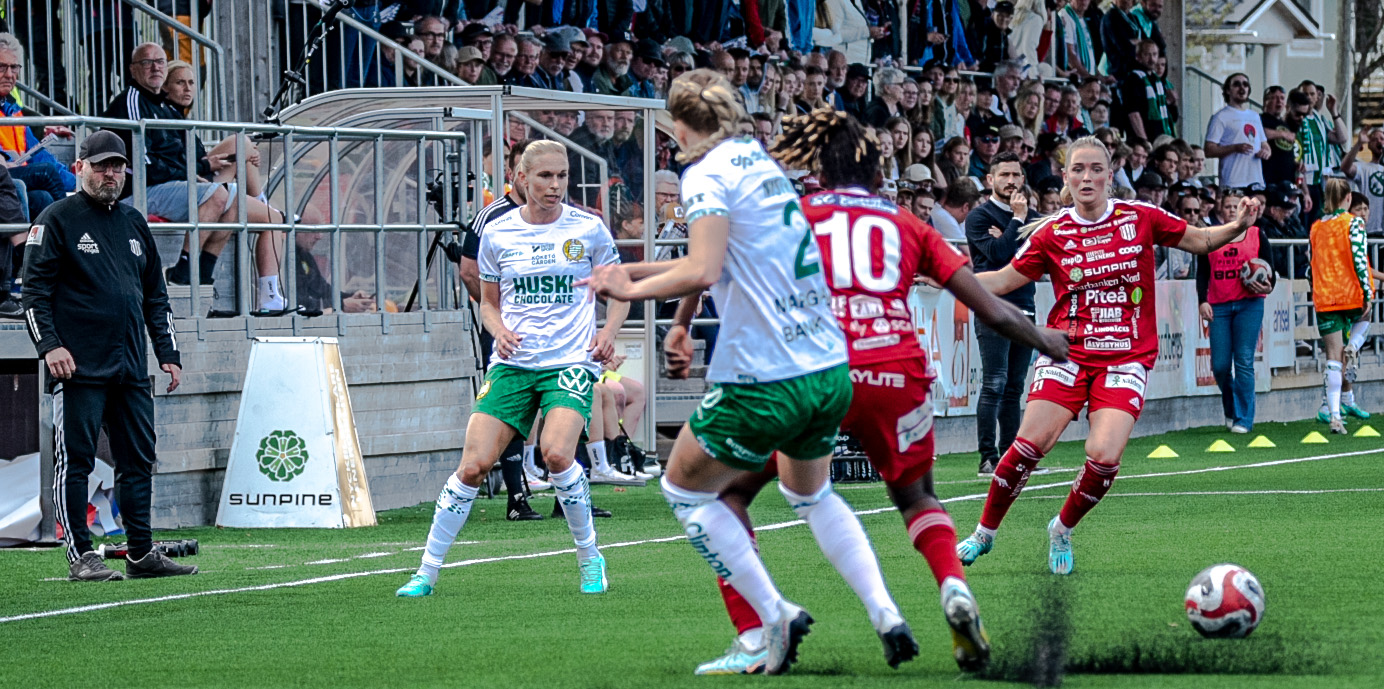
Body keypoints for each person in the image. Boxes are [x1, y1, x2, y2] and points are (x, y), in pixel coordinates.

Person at [680, 108, 1069, 677]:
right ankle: (953, 586)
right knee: (917, 498)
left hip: (814, 370)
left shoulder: (796, 215)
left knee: (728, 494)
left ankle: (755, 632)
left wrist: (681, 324)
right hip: (895, 371)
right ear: (878, 171)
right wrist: (1045, 339)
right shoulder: (908, 225)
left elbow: (711, 265)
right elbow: (989, 307)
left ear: (817, 169)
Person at [581, 70, 912, 676]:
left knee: (685, 490)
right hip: (825, 366)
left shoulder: (704, 174)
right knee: (811, 493)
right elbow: (721, 255)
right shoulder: (760, 164)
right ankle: (884, 611)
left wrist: (630, 286)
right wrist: (656, 294)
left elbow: (704, 267)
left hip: (765, 373)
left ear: (678, 125)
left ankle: (773, 615)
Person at [954, 136, 1262, 575]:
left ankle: (1062, 528)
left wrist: (1237, 226)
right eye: (1078, 169)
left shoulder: (1140, 217)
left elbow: (1198, 240)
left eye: (1096, 169)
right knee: (1029, 445)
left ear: (1110, 175)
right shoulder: (1052, 231)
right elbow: (1003, 280)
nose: (1087, 177)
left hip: (1126, 356)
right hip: (1067, 351)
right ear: (1065, 176)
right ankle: (984, 532)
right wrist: (947, 276)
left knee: (1104, 455)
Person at [396, 140, 627, 599]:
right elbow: (488, 303)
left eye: (562, 175)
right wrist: (498, 330)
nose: (555, 185)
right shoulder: (498, 232)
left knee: (557, 454)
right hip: (513, 364)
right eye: (545, 176)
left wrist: (608, 332)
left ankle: (589, 557)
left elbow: (619, 289)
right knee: (473, 466)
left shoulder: (589, 228)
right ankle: (426, 571)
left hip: (569, 361)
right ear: (522, 178)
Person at [21, 131, 196, 581]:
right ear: (80, 167)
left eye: (117, 167)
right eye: (102, 166)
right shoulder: (56, 219)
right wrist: (49, 346)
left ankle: (140, 553)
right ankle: (81, 555)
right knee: (75, 461)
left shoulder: (134, 222)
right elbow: (33, 294)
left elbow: (156, 295)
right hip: (77, 367)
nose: (111, 175)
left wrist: (168, 351)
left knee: (138, 460)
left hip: (130, 366)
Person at [102, 43, 287, 312]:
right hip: (139, 191)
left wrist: (203, 167)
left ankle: (206, 280)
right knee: (222, 193)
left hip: (169, 185)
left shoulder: (165, 109)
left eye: (160, 62)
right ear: (133, 69)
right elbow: (146, 167)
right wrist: (201, 167)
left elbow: (184, 160)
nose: (155, 68)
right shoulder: (132, 102)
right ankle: (183, 273)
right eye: (147, 63)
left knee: (234, 200)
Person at [445, 140, 552, 517]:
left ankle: (562, 493)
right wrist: (497, 313)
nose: (548, 183)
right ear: (515, 174)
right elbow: (468, 271)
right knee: (510, 405)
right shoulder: (491, 217)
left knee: (557, 406)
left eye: (555, 175)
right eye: (537, 173)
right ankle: (515, 495)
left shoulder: (559, 218)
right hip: (506, 329)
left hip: (549, 330)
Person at [966, 152, 1041, 476]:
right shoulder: (979, 217)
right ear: (990, 179)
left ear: (1023, 179)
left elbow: (1034, 260)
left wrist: (1011, 235)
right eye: (1004, 175)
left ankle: (1011, 456)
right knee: (994, 383)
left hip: (1025, 305)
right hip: (992, 307)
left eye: (1015, 175)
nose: (1010, 181)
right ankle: (987, 457)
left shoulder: (1034, 217)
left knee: (1014, 387)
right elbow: (998, 255)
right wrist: (1017, 222)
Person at [1195, 191, 1274, 434]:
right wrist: (1202, 300)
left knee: (1243, 360)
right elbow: (1202, 271)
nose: (1232, 210)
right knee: (1219, 366)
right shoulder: (1210, 235)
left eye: (1235, 206)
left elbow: (1271, 269)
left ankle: (1243, 419)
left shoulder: (1257, 234)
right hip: (1219, 305)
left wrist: (1269, 286)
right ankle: (1231, 407)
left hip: (1249, 304)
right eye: (1228, 206)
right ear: (1220, 208)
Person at [1309, 178, 1376, 435]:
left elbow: (1312, 263)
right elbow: (1359, 258)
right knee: (1364, 321)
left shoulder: (1316, 227)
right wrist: (1367, 292)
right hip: (1350, 294)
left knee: (1332, 358)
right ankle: (1354, 347)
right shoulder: (1353, 223)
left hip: (1325, 297)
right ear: (1348, 198)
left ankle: (1335, 416)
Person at [1204, 74, 1268, 191]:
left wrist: (1266, 152)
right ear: (1228, 90)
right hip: (1233, 182)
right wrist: (1234, 148)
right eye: (1237, 84)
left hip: (1256, 181)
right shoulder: (1220, 117)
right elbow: (1209, 150)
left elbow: (1264, 144)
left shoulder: (1255, 116)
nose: (1242, 88)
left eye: (1245, 84)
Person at [1340, 126, 1384, 237]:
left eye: (1382, 139)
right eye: (1374, 139)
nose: (1379, 141)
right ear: (1369, 145)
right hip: (1368, 229)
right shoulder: (1363, 168)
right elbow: (1345, 167)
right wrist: (1358, 144)